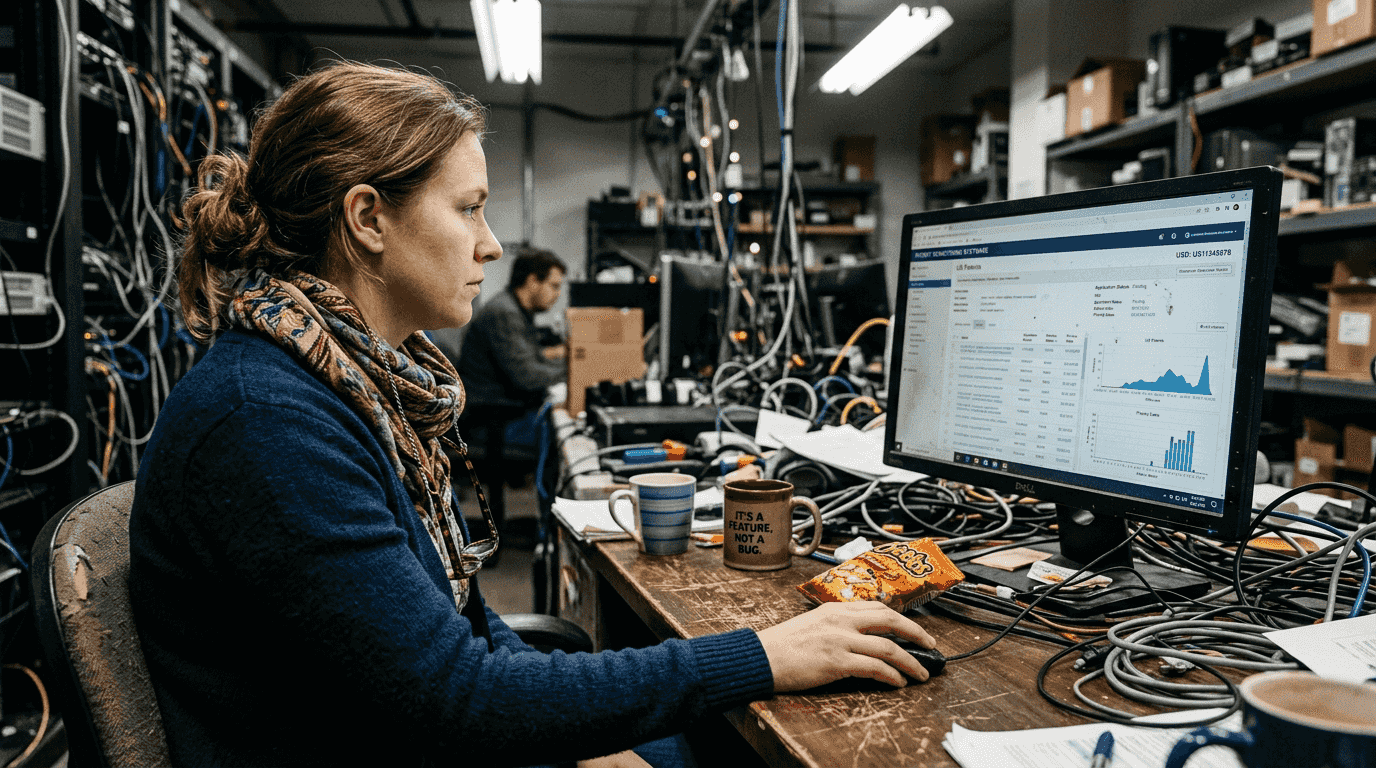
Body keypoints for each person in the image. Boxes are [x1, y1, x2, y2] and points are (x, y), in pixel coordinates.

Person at [128, 61, 937, 768]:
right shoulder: (268, 420)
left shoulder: (361, 386)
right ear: (368, 217)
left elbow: (463, 631)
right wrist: (758, 656)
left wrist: (577, 738)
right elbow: (458, 694)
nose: (492, 244)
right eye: (469, 208)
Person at [457, 247, 568, 409]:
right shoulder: (505, 313)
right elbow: (527, 376)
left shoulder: (516, 309)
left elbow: (534, 358)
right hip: (489, 415)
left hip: (499, 407)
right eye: (554, 286)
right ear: (532, 282)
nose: (558, 294)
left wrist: (569, 364)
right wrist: (575, 370)